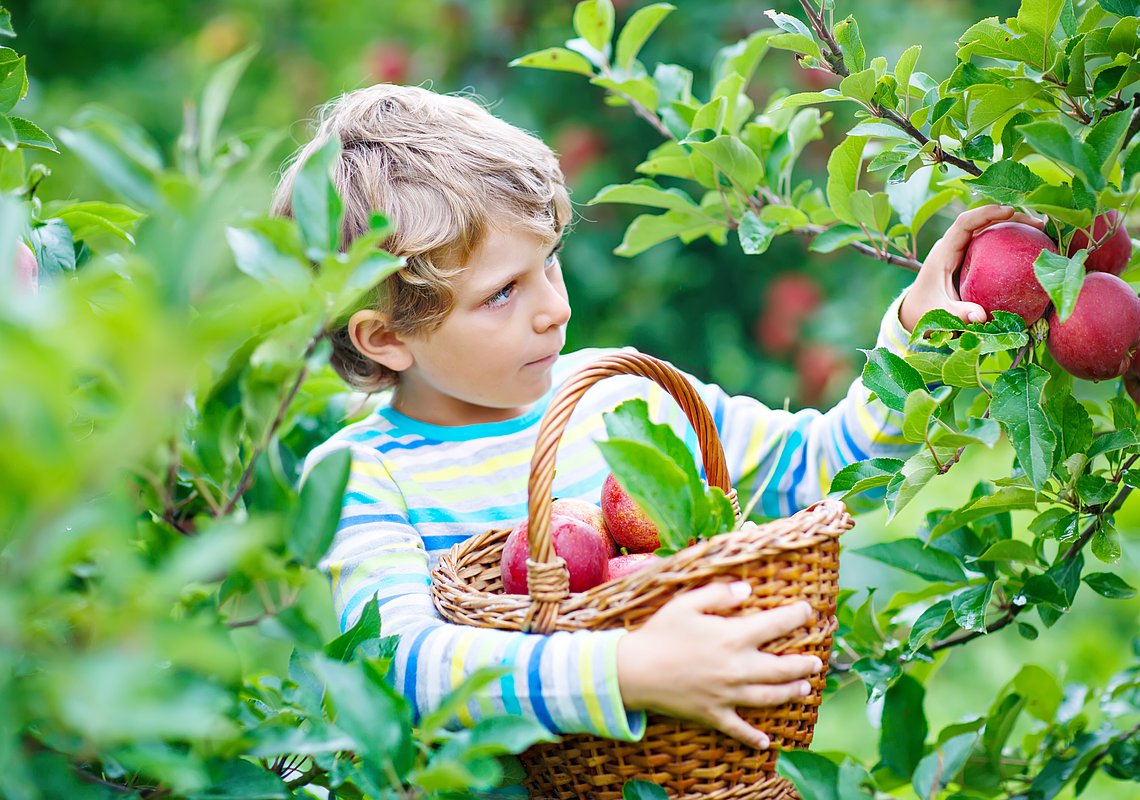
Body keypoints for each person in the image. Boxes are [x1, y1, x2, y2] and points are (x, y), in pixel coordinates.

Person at [275, 83, 1035, 752]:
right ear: (386, 337)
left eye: (551, 262)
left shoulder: (622, 401)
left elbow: (823, 470)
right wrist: (628, 671)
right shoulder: (360, 475)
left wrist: (913, 336)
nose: (556, 308)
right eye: (504, 292)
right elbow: (403, 664)